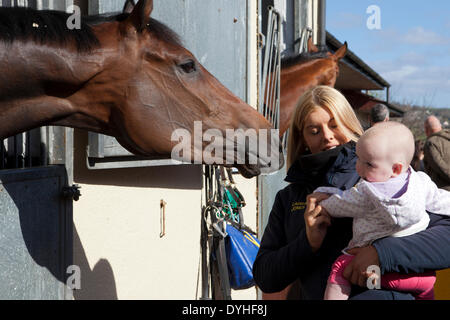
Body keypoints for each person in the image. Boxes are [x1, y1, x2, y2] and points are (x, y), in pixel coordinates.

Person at [252, 85, 450, 300]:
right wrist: (306, 244)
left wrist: (383, 253)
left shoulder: (385, 177)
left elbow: (445, 239)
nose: (327, 136)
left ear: (349, 124)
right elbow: (265, 276)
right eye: (314, 131)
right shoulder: (289, 198)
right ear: (303, 139)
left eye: (334, 124)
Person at [310, 122, 450, 300]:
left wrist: (323, 201)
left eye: (368, 163)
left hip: (373, 268)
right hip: (415, 271)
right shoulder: (420, 182)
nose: (358, 167)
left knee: (340, 268)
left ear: (396, 168)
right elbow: (440, 200)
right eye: (358, 158)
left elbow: (341, 203)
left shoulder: (367, 193)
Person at [423, 116, 450, 191]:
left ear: (426, 130)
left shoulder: (431, 143)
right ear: (440, 126)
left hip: (444, 192)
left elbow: (440, 167)